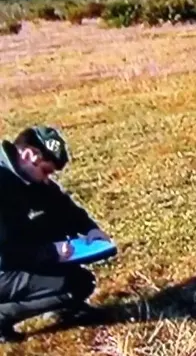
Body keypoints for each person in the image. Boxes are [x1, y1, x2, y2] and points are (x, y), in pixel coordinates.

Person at [0, 125, 111, 343]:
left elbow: (62, 206)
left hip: (12, 253)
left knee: (55, 220)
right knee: (77, 284)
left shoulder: (24, 175)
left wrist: (90, 228)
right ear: (29, 155)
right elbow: (5, 253)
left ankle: (61, 308)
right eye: (46, 171)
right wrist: (52, 252)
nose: (46, 179)